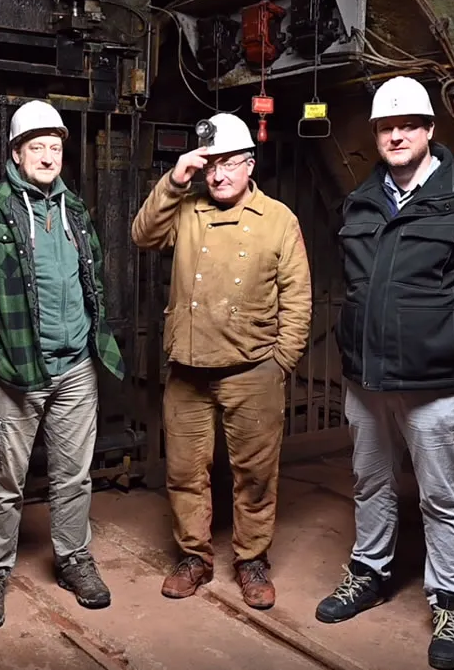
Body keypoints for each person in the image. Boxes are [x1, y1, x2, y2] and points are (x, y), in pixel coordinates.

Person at [316, 76, 454, 670]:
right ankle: (370, 573)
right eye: (386, 127)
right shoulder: (360, 201)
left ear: (431, 130)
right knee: (371, 483)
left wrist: (453, 333)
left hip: (436, 383)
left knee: (442, 495)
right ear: (377, 135)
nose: (397, 134)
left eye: (408, 124)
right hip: (366, 379)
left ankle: (450, 600)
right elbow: (359, 284)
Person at [0, 99, 126, 631]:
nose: (48, 156)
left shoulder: (76, 209)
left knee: (74, 477)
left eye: (55, 147)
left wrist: (94, 336)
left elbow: (93, 281)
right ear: (17, 154)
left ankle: (73, 559)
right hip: (16, 369)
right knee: (6, 482)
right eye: (37, 147)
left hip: (75, 370)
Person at [131, 112, 312, 610]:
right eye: (210, 164)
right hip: (187, 369)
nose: (219, 175)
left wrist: (281, 362)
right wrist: (174, 179)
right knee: (186, 471)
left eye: (229, 163)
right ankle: (194, 557)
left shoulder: (278, 219)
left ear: (249, 164)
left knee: (255, 474)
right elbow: (142, 235)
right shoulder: (187, 210)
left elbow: (298, 298)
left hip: (252, 370)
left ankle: (252, 561)